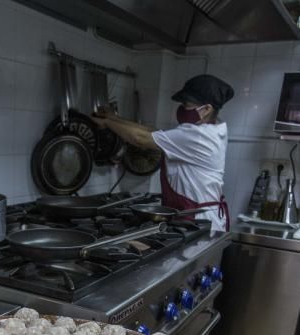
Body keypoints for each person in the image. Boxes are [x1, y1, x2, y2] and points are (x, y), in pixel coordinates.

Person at [92, 74, 234, 231]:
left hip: (198, 219)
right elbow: (154, 132)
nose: (182, 108)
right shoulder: (211, 129)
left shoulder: (198, 136)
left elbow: (140, 138)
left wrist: (106, 123)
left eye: (186, 104)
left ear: (207, 109)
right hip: (197, 215)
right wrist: (113, 119)